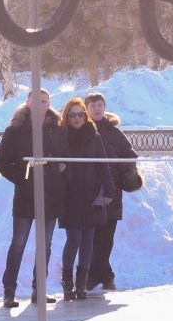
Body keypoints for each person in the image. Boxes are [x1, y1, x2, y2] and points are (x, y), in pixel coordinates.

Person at [0, 88, 69, 307]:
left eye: (44, 101)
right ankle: (9, 290)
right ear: (28, 103)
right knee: (18, 243)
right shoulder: (15, 129)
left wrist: (60, 172)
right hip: (26, 195)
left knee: (44, 245)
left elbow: (65, 157)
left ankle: (39, 290)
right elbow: (3, 161)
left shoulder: (57, 129)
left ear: (49, 104)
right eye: (36, 101)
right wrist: (21, 178)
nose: (40, 104)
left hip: (51, 195)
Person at [57, 98, 117, 300]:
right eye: (72, 115)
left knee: (88, 241)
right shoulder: (61, 136)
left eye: (80, 114)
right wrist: (63, 172)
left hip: (91, 194)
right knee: (74, 238)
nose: (76, 118)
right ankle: (67, 282)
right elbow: (57, 167)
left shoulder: (94, 134)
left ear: (85, 114)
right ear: (66, 116)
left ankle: (81, 282)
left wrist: (109, 190)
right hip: (70, 195)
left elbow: (102, 164)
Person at [83, 92, 139, 292]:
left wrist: (124, 170)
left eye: (100, 105)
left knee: (106, 237)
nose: (97, 108)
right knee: (93, 237)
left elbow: (130, 155)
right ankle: (105, 275)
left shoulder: (115, 132)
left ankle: (95, 276)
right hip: (88, 191)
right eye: (93, 105)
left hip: (112, 190)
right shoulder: (82, 130)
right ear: (86, 109)